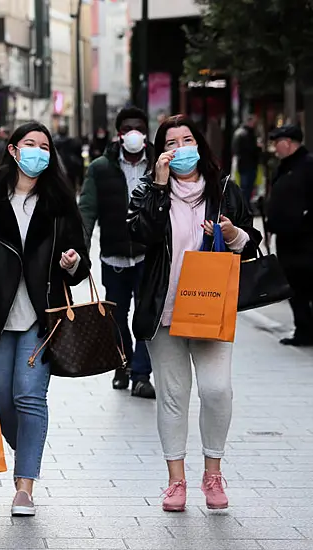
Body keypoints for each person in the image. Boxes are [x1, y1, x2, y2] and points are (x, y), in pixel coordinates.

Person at [0, 122, 90, 516]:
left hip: (43, 316)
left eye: (45, 146)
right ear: (12, 150)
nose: (38, 151)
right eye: (30, 144)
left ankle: (24, 486)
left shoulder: (60, 200)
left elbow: (80, 256)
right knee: (0, 400)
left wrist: (72, 263)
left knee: (28, 396)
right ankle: (24, 443)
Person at [128, 115, 261, 513]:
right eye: (173, 142)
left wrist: (234, 234)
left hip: (210, 307)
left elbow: (250, 240)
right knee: (172, 396)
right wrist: (159, 185)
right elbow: (139, 234)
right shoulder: (150, 189)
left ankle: (213, 471)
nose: (182, 147)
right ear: (161, 151)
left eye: (188, 139)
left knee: (217, 390)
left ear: (199, 144)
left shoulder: (223, 190)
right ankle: (176, 481)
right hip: (164, 310)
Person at [79, 106, 156, 398]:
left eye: (138, 127)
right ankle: (121, 364)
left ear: (145, 132)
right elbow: (86, 211)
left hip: (148, 256)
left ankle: (141, 374)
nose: (133, 133)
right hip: (113, 255)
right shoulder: (101, 167)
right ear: (119, 134)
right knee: (116, 316)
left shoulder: (158, 163)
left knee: (145, 316)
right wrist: (81, 251)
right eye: (127, 129)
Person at [265, 124, 313, 347]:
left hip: (305, 240)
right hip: (285, 239)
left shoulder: (308, 165)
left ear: (289, 142)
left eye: (277, 142)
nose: (275, 147)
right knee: (294, 287)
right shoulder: (282, 167)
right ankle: (303, 331)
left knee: (308, 284)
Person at [232, 115, 261, 205]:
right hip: (247, 164)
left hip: (245, 165)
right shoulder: (246, 134)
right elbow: (248, 149)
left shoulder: (241, 133)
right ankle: (244, 207)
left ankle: (244, 207)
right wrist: (258, 148)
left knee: (246, 188)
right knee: (246, 188)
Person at [54, 125, 84, 193]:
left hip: (59, 171)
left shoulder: (54, 144)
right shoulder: (74, 142)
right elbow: (79, 161)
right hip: (71, 171)